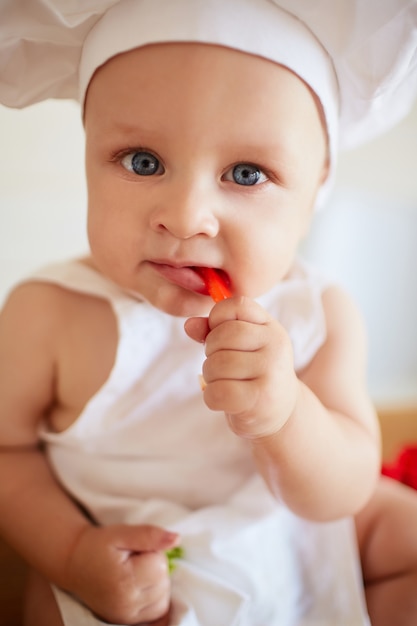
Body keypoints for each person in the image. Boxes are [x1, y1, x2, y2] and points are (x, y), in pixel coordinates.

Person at [0, 1, 417, 625]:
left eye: (246, 174)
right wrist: (70, 551)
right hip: (136, 563)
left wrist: (285, 413)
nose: (187, 216)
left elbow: (343, 489)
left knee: (403, 530)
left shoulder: (318, 313)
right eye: (143, 162)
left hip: (292, 537)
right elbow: (6, 454)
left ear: (314, 191)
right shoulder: (48, 314)